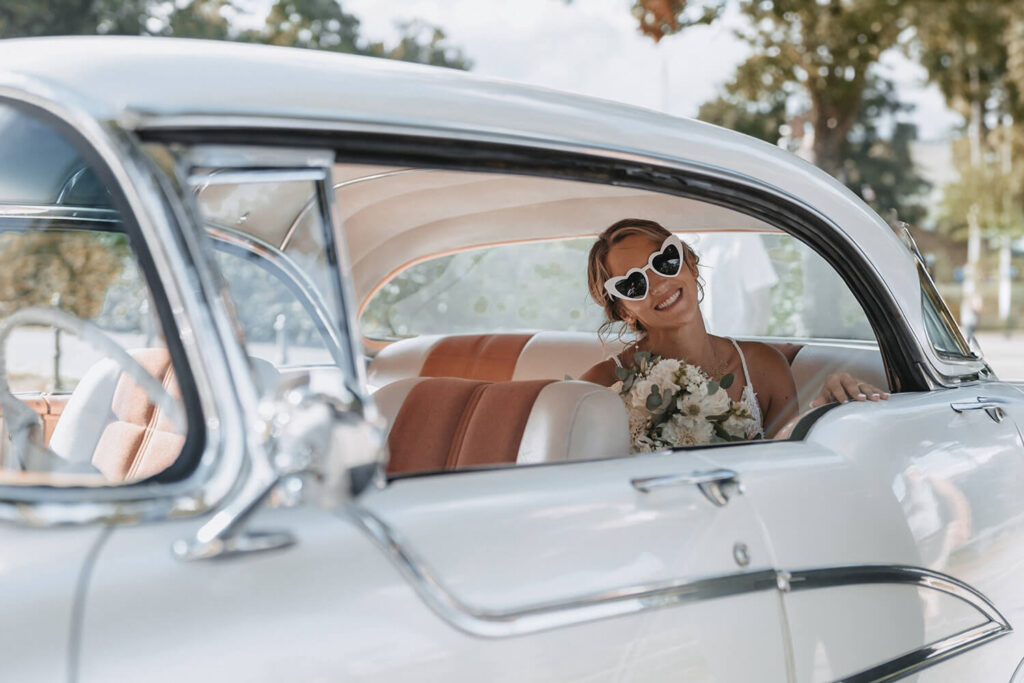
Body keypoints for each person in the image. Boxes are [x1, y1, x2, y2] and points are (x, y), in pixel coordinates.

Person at [580, 219, 888, 441]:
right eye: (634, 284)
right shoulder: (601, 385)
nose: (659, 283)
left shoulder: (763, 367)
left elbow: (783, 464)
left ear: (690, 263)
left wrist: (825, 409)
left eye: (665, 261)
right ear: (624, 311)